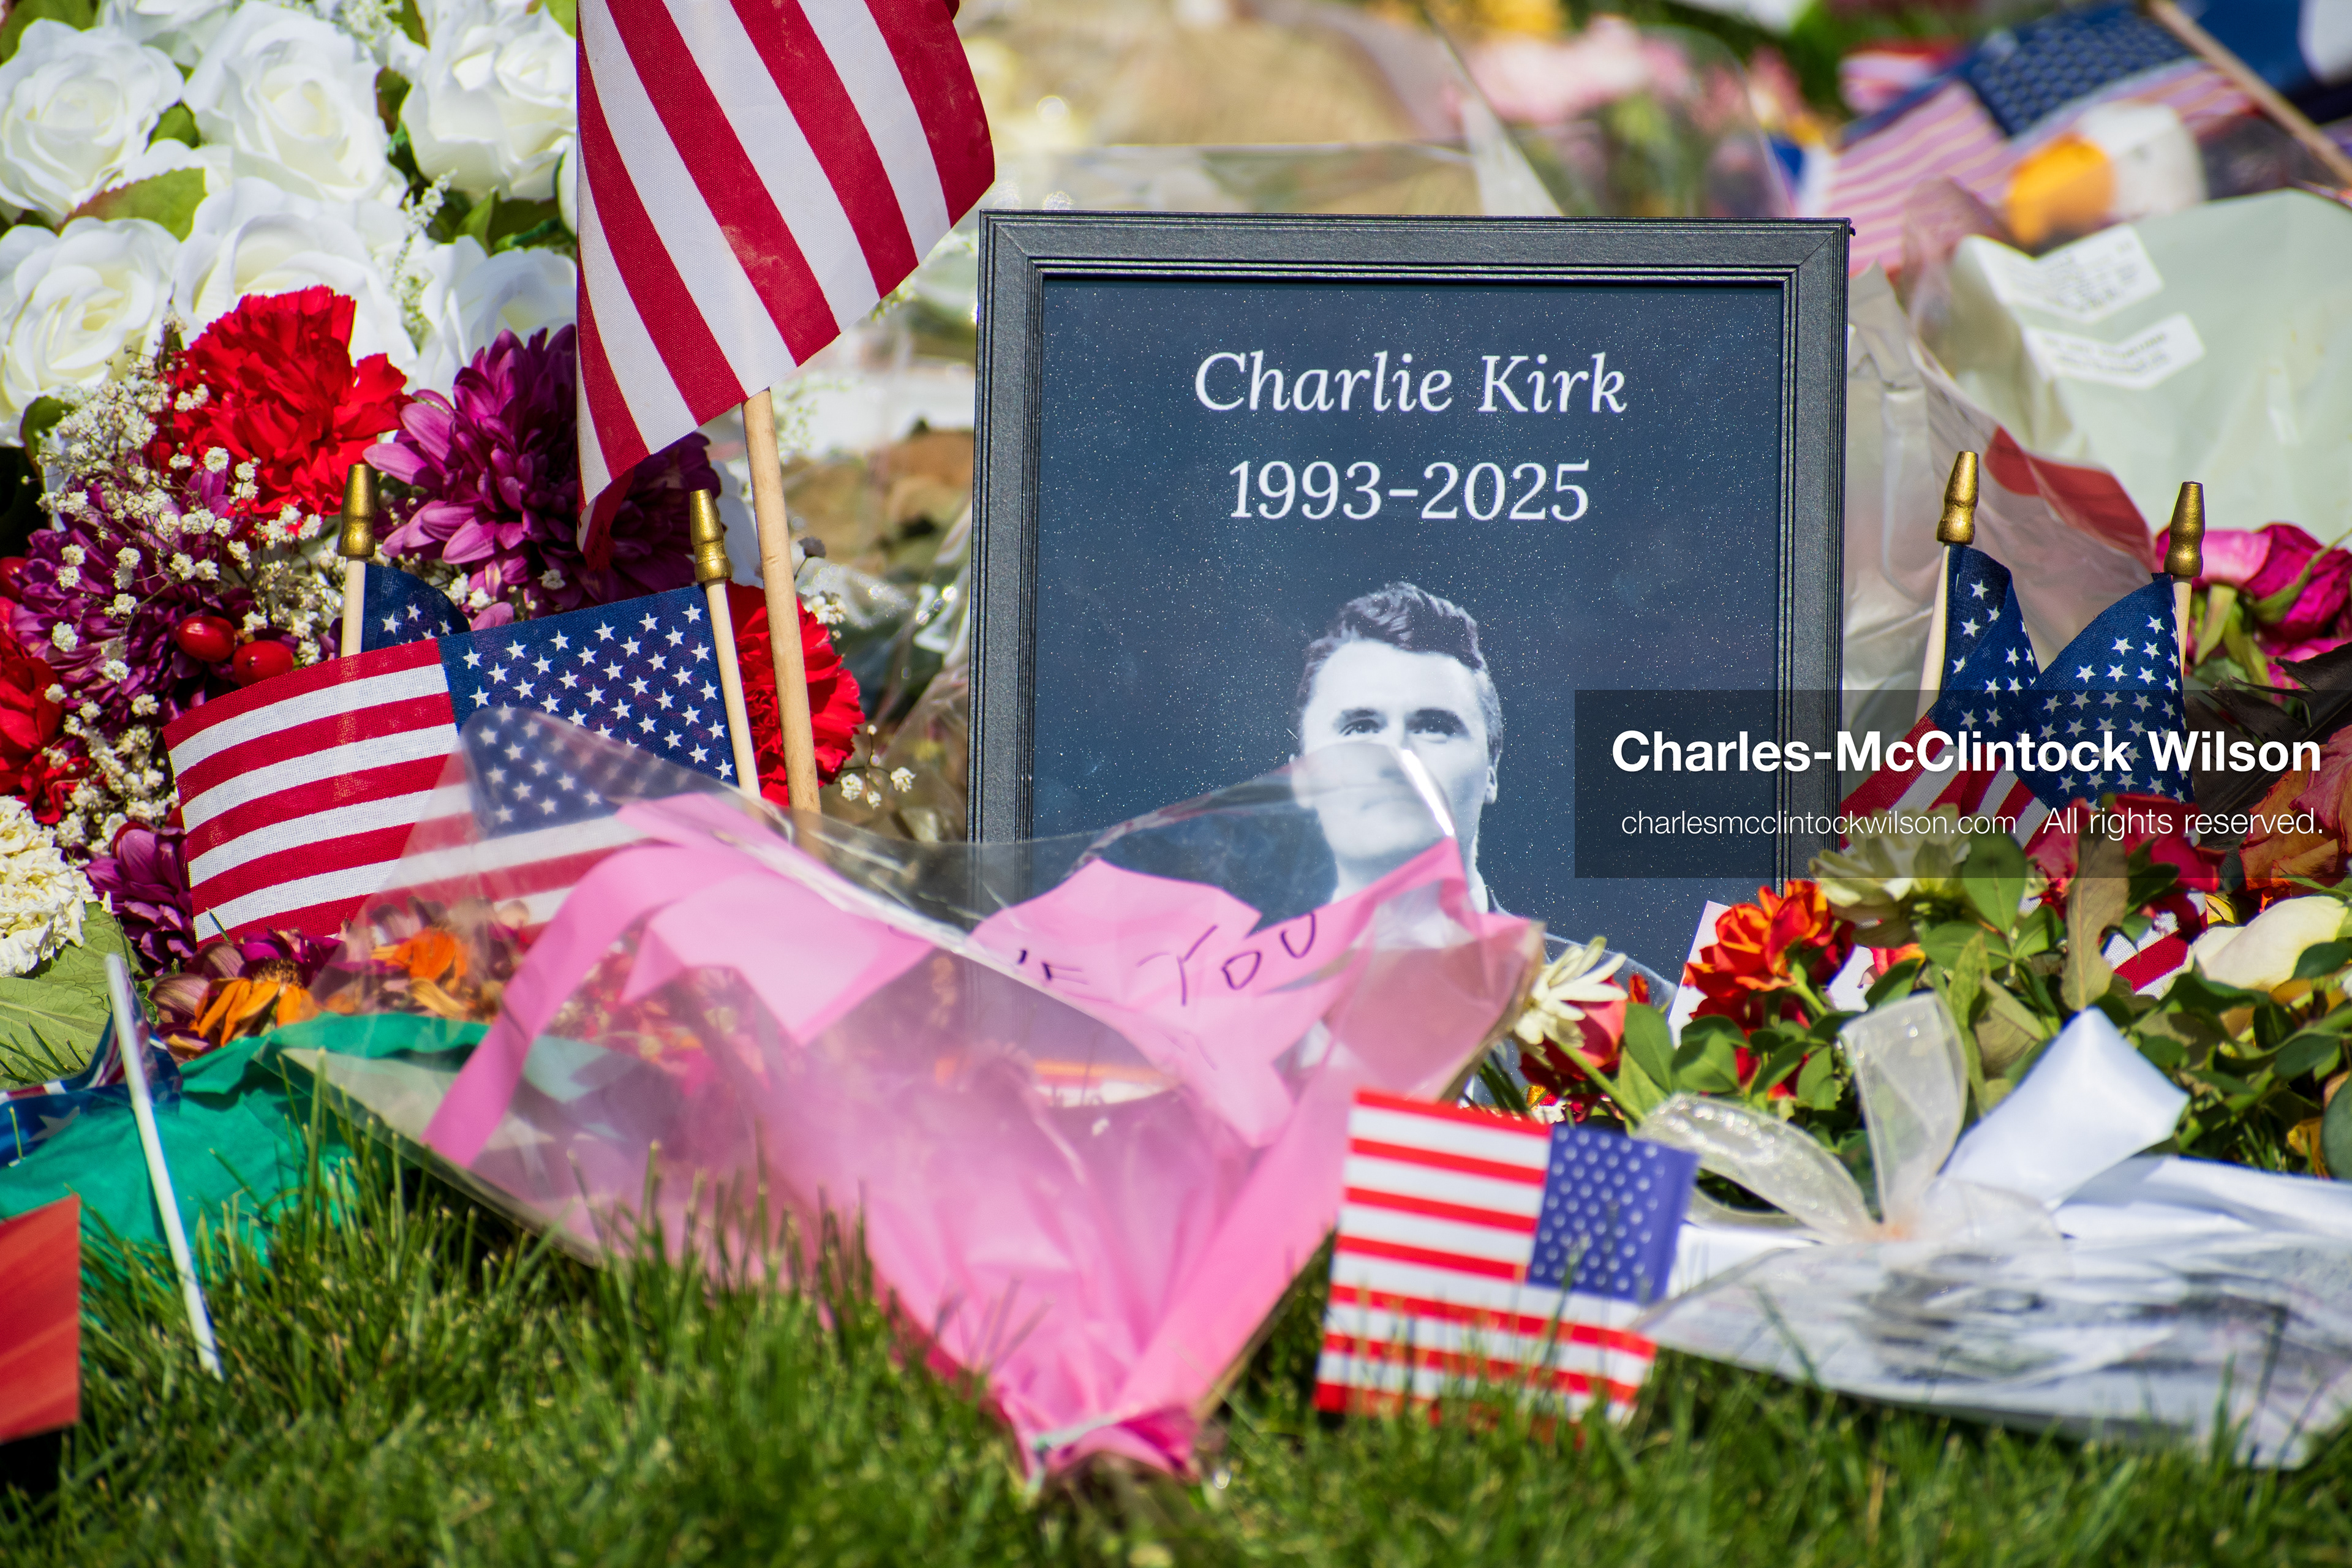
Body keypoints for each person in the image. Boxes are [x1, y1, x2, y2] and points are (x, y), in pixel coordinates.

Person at [1292, 581, 1502, 913]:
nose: (1396, 755)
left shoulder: (1604, 968)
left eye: (1435, 728)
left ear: (1491, 772)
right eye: (1360, 727)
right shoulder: (1208, 966)